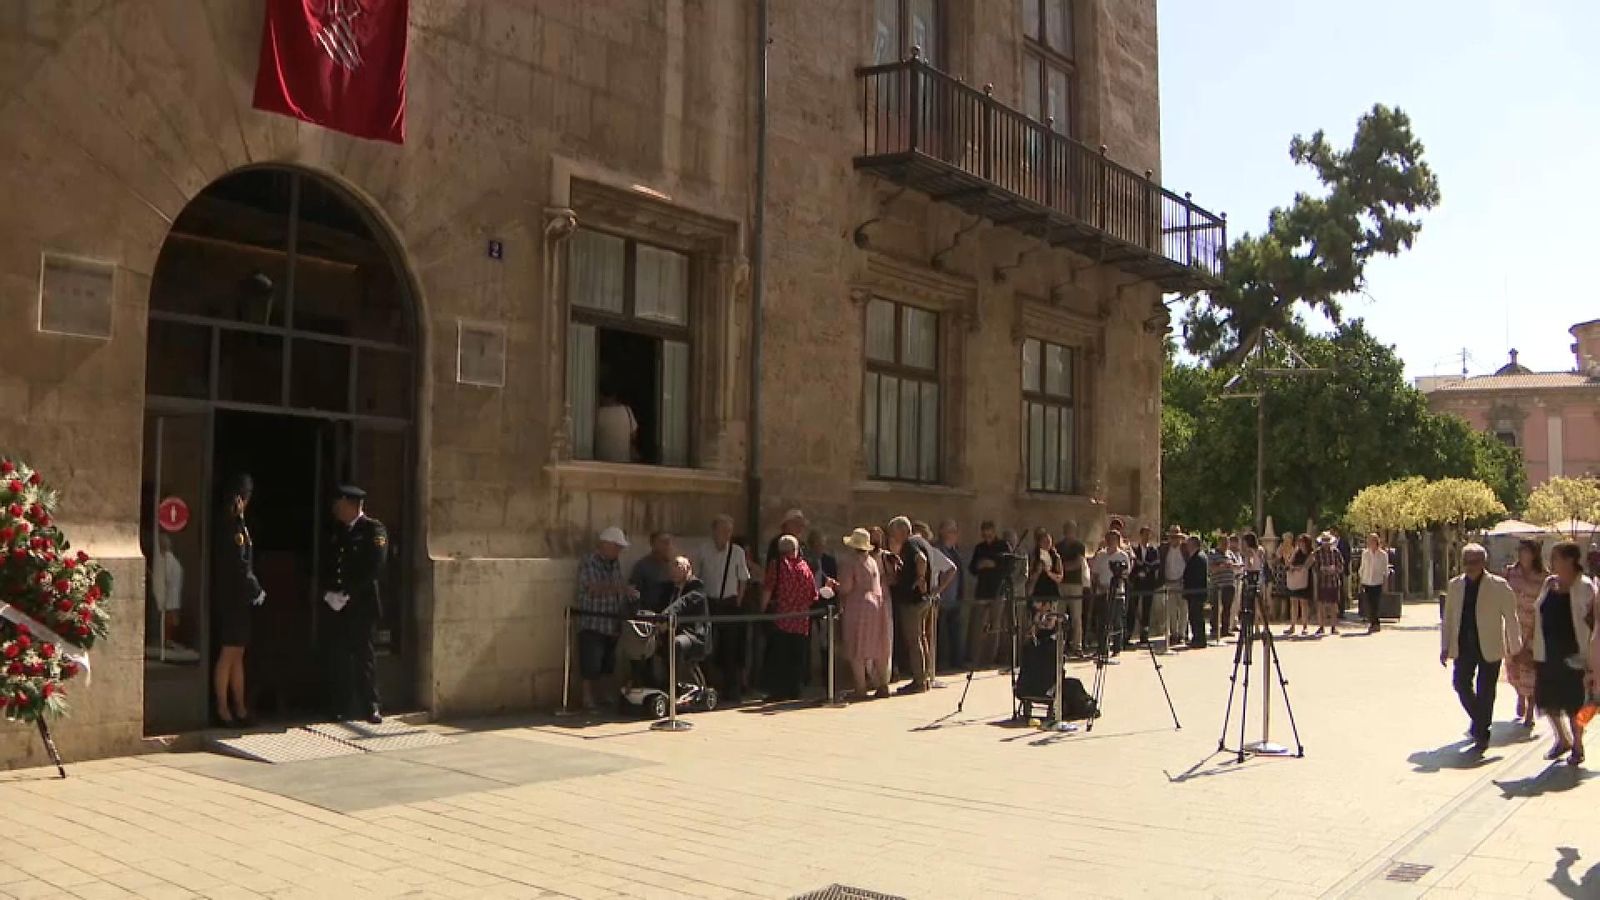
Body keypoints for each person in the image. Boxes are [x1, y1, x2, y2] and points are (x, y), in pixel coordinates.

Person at [1440, 542, 1521, 755]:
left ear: (1484, 562)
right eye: (1466, 562)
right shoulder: (1455, 585)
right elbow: (1448, 618)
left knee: (1486, 690)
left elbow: (1511, 618)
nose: (1470, 566)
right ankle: (1481, 721)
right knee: (1460, 684)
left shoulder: (1499, 585)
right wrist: (1445, 646)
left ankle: (1481, 732)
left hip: (1490, 644)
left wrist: (1515, 647)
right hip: (1464, 645)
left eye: (1474, 562)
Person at [322, 485, 390, 724]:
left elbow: (375, 566)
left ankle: (371, 705)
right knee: (339, 656)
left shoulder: (373, 529)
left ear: (351, 505)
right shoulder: (338, 530)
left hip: (362, 604)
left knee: (364, 656)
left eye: (339, 505)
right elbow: (331, 564)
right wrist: (329, 592)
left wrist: (349, 592)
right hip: (339, 604)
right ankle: (340, 705)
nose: (336, 509)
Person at [1530, 542, 1595, 767]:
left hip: (1575, 653)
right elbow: (1538, 612)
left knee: (1576, 704)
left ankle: (1578, 743)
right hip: (1548, 652)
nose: (1551, 561)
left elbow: (1593, 620)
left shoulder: (1585, 586)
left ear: (1570, 560)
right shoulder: (1550, 583)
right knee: (1547, 700)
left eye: (1556, 557)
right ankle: (1562, 738)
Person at [211, 473, 263, 727]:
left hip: (239, 600)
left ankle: (240, 707)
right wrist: (256, 589)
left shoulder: (238, 524)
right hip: (232, 598)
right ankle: (223, 708)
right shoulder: (232, 527)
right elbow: (240, 564)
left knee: (237, 653)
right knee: (229, 652)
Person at [573, 527, 637, 713]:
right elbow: (593, 588)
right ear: (606, 545)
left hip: (611, 621)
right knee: (590, 662)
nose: (619, 551)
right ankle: (587, 698)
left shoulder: (614, 564)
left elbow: (618, 586)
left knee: (608, 663)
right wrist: (620, 589)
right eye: (617, 547)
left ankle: (604, 696)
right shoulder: (589, 562)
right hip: (593, 621)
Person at [696, 515, 751, 703]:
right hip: (709, 602)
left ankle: (731, 689)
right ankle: (705, 688)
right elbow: (696, 576)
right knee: (706, 647)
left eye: (729, 531)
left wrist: (738, 601)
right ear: (714, 531)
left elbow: (743, 578)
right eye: (722, 530)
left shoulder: (737, 552)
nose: (726, 534)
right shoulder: (703, 550)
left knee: (731, 648)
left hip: (729, 603)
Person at [761, 535, 820, 701]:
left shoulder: (777, 565)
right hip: (801, 620)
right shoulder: (804, 567)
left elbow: (768, 588)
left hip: (782, 619)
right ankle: (795, 690)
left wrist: (762, 610)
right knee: (797, 658)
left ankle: (778, 691)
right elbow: (813, 594)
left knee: (780, 657)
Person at [838, 528, 892, 700]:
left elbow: (846, 587)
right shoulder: (872, 561)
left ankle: (860, 688)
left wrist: (835, 587)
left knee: (856, 645)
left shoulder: (850, 562)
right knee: (878, 645)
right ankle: (883, 684)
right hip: (877, 603)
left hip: (858, 604)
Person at [1502, 538, 1546, 728]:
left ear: (1534, 554)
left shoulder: (1543, 576)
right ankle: (1520, 696)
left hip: (1535, 627)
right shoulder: (1511, 573)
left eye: (1526, 551)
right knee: (1513, 668)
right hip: (1513, 626)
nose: (1522, 555)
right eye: (1520, 551)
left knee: (1531, 669)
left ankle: (1530, 709)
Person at [890, 517, 934, 694]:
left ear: (902, 530)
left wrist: (920, 578)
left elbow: (921, 559)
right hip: (922, 599)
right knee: (921, 638)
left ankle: (919, 680)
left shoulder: (910, 543)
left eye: (894, 533)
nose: (893, 538)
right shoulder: (923, 542)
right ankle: (925, 677)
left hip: (912, 600)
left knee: (914, 640)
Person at [967, 521, 1012, 668]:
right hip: (982, 590)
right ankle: (976, 657)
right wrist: (980, 565)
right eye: (984, 533)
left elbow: (1009, 567)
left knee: (995, 625)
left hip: (997, 591)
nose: (987, 536)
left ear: (994, 531)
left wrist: (994, 565)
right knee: (978, 625)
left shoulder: (1003, 546)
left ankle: (990, 658)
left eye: (989, 532)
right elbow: (972, 568)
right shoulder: (979, 548)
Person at [659, 557, 711, 684]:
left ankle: (675, 683)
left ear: (688, 569)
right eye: (672, 567)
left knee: (676, 643)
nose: (673, 571)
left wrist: (664, 616)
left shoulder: (697, 587)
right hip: (674, 631)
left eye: (678, 566)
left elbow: (683, 603)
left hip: (694, 634)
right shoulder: (671, 588)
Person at [1090, 529, 1131, 654]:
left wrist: (1117, 583)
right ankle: (1102, 648)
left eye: (1114, 539)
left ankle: (1117, 647)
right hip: (1102, 592)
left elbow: (1126, 574)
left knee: (1117, 621)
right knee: (1102, 621)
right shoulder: (1100, 555)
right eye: (1109, 539)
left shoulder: (1123, 556)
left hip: (1117, 592)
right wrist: (1099, 586)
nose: (1111, 541)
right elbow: (1095, 574)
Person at [933, 520, 965, 672]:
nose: (955, 534)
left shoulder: (955, 551)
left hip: (955, 597)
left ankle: (956, 661)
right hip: (942, 597)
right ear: (943, 533)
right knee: (938, 631)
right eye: (951, 531)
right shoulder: (938, 550)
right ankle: (938, 662)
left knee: (955, 630)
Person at [1058, 521, 1089, 655]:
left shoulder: (1079, 546)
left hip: (1075, 584)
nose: (1069, 532)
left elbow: (1078, 563)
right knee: (1059, 616)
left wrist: (1063, 567)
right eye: (1067, 529)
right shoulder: (1058, 546)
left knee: (1076, 616)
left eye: (1071, 529)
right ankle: (1059, 644)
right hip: (1061, 584)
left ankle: (1077, 646)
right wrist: (1062, 567)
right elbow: (1056, 563)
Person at [630, 531, 678, 613]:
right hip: (650, 614)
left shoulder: (676, 566)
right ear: (653, 545)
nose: (667, 545)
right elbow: (634, 593)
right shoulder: (642, 566)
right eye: (663, 542)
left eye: (669, 541)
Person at [1358, 533, 1394, 634]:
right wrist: (1361, 581)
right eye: (1369, 541)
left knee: (1375, 603)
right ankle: (1373, 623)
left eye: (1373, 540)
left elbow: (1385, 570)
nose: (1371, 543)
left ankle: (1375, 623)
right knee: (1369, 603)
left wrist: (1385, 583)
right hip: (1367, 581)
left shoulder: (1383, 554)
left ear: (1376, 542)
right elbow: (1362, 568)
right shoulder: (1365, 553)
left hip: (1377, 581)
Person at [1207, 534, 1240, 641]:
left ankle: (1225, 629)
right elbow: (1211, 568)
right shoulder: (1212, 553)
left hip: (1229, 584)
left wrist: (1232, 566)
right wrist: (1222, 566)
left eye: (1227, 543)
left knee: (1227, 608)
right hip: (1217, 585)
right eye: (1224, 543)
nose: (1226, 545)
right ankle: (1214, 629)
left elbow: (1238, 565)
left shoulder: (1230, 554)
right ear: (1219, 543)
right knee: (1216, 608)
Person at [1159, 526, 1188, 646]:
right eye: (1172, 537)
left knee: (1183, 609)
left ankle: (1182, 634)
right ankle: (1173, 634)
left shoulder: (1185, 549)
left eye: (1176, 537)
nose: (1174, 540)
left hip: (1182, 582)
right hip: (1169, 582)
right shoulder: (1164, 549)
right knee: (1171, 610)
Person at [1312, 532, 1344, 636]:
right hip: (1322, 582)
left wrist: (1334, 570)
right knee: (1321, 604)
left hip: (1333, 582)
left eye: (1327, 541)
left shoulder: (1336, 552)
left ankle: (1333, 626)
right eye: (1324, 541)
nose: (1326, 543)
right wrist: (1322, 570)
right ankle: (1321, 626)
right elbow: (1314, 567)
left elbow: (1341, 566)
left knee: (1333, 605)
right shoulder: (1317, 553)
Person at [594, 391, 638, 463]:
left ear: (601, 396)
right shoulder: (627, 411)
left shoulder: (596, 413)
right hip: (623, 462)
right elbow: (634, 435)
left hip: (601, 463)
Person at [1182, 536, 1210, 649]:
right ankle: (1196, 638)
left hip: (1196, 592)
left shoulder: (1199, 557)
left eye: (1188, 544)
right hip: (1194, 592)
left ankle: (1199, 639)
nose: (1187, 547)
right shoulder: (1196, 556)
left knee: (1196, 616)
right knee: (1194, 616)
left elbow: (1195, 576)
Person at [1284, 535, 1313, 636]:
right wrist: (1287, 558)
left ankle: (1305, 626)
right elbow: (1289, 563)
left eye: (1302, 542)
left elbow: (1307, 565)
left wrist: (1296, 568)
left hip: (1304, 580)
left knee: (1303, 603)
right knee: (1293, 602)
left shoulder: (1311, 553)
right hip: (1294, 580)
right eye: (1299, 542)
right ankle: (1292, 625)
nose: (1300, 544)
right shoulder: (1296, 552)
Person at [1240, 532, 1267, 631]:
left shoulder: (1249, 551)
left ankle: (1253, 626)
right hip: (1259, 575)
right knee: (1259, 603)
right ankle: (1261, 626)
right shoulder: (1261, 549)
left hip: (1251, 575)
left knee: (1250, 603)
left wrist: (1248, 564)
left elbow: (1250, 561)